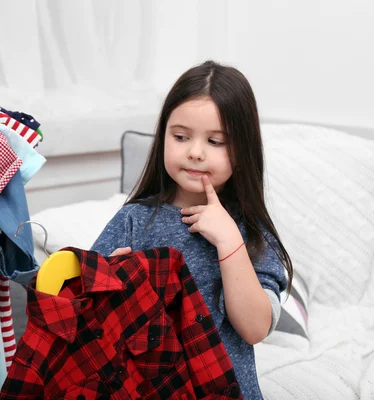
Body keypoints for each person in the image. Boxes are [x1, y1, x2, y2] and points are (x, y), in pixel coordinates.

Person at [91, 60, 293, 400]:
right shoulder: (134, 220)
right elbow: (86, 315)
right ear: (163, 136)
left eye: (216, 141)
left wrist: (229, 242)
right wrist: (109, 284)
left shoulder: (250, 232)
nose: (195, 152)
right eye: (181, 137)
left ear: (243, 152)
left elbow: (255, 328)